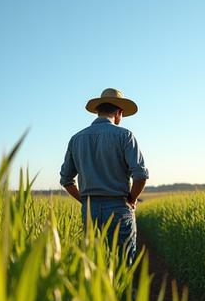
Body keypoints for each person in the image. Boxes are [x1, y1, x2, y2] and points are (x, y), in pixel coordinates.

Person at [59, 88, 149, 266]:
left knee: (95, 265)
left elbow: (66, 180)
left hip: (90, 210)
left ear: (99, 110)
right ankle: (121, 294)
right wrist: (131, 199)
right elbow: (140, 175)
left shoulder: (76, 139)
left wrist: (85, 201)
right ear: (119, 113)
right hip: (119, 207)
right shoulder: (125, 135)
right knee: (123, 265)